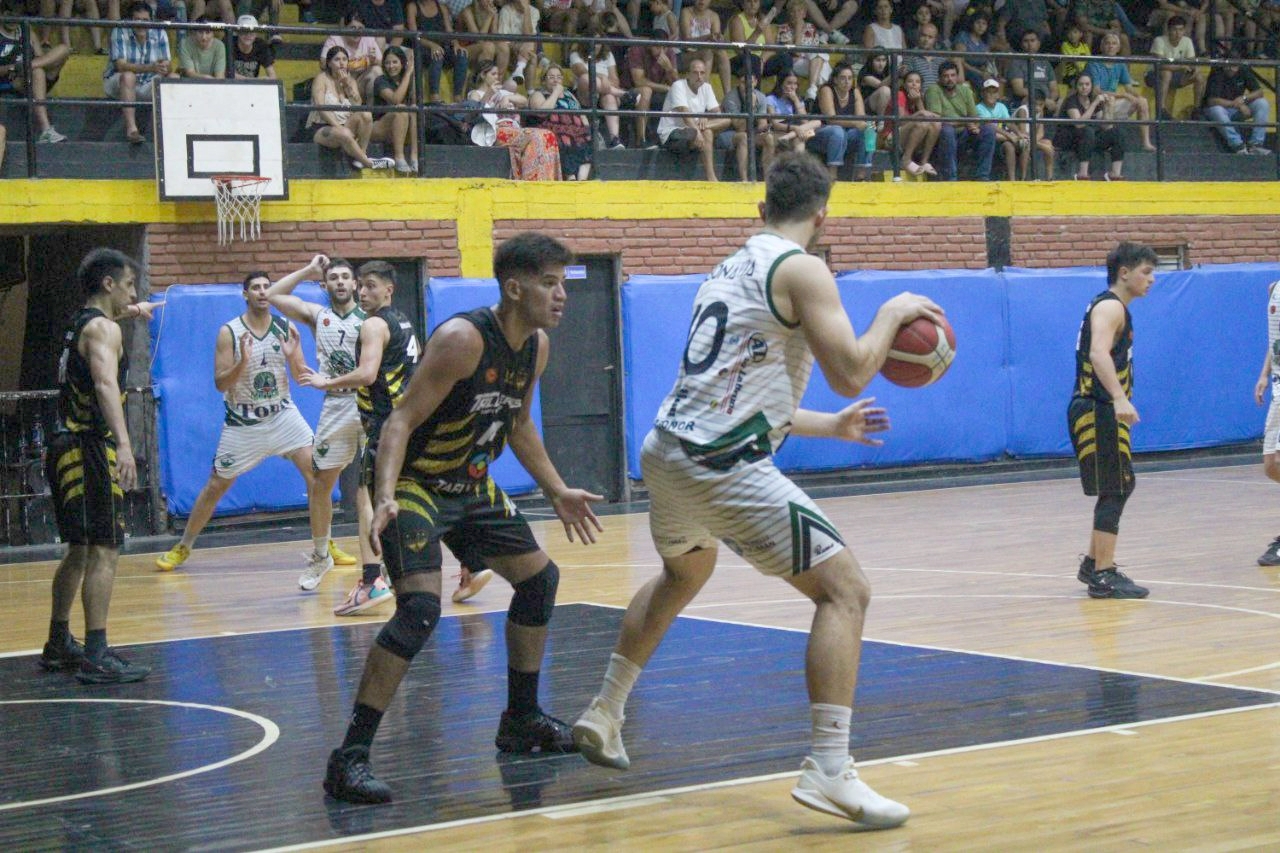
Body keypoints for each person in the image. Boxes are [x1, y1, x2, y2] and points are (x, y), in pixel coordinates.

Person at [571, 151, 940, 829]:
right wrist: (891, 314)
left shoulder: (727, 269)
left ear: (761, 208)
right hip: (721, 464)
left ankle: (605, 708)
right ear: (823, 216)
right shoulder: (803, 269)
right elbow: (853, 370)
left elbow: (739, 394)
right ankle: (829, 766)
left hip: (668, 451)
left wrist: (832, 425)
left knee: (685, 573)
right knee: (846, 590)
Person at [321, 234, 604, 804]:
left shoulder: (536, 346)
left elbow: (519, 424)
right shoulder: (462, 339)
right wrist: (384, 496)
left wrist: (556, 490)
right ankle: (349, 758)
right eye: (550, 283)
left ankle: (521, 720)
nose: (561, 295)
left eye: (563, 284)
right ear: (514, 288)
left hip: (470, 484)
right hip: (415, 484)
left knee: (540, 581)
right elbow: (399, 422)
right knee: (420, 610)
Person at [154, 271, 352, 588]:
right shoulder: (229, 332)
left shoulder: (285, 327)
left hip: (283, 416)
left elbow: (300, 375)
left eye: (266, 287)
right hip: (244, 423)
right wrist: (242, 362)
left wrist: (294, 358)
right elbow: (220, 384)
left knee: (318, 476)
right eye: (256, 288)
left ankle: (324, 544)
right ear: (245, 294)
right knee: (216, 486)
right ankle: (184, 546)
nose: (262, 292)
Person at [40, 248, 156, 684]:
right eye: (129, 285)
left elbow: (105, 332)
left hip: (62, 445)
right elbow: (106, 383)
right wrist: (124, 444)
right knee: (105, 548)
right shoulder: (105, 330)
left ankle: (58, 642)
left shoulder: (80, 324)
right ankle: (96, 653)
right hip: (89, 447)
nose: (133, 293)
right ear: (109, 284)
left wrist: (132, 312)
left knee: (79, 549)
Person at [264, 256, 389, 616]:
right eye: (333, 277)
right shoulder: (318, 315)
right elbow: (273, 295)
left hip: (369, 402)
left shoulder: (372, 319)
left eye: (346, 277)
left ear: (355, 284)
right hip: (336, 404)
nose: (340, 282)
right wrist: (307, 270)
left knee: (371, 489)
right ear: (325, 285)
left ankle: (380, 566)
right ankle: (322, 555)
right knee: (321, 483)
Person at [1068, 241, 1156, 600]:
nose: (1151, 279)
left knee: (1119, 485)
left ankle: (1094, 563)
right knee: (1116, 487)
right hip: (1098, 407)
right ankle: (1103, 574)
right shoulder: (1110, 307)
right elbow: (1097, 353)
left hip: (1100, 407)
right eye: (1146, 272)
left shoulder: (1112, 307)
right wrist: (1119, 397)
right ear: (1124, 273)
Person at [469, 59, 561, 180]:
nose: (497, 77)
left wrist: (508, 98)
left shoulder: (502, 92)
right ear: (482, 75)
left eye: (498, 74)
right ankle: (531, 179)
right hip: (495, 130)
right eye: (493, 74)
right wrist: (489, 94)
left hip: (513, 128)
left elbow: (524, 101)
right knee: (536, 136)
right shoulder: (475, 93)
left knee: (548, 135)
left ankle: (545, 179)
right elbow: (475, 113)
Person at [307, 45, 395, 171]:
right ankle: (369, 163)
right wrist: (338, 126)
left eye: (344, 59)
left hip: (345, 124)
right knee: (345, 133)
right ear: (329, 63)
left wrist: (347, 85)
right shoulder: (322, 79)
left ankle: (361, 155)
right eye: (337, 59)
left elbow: (357, 106)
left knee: (366, 115)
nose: (341, 63)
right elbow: (320, 107)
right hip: (321, 127)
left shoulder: (350, 81)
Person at [104, 1, 176, 144]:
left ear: (151, 20)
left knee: (174, 78)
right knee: (128, 76)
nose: (141, 24)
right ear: (130, 20)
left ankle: (168, 130)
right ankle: (132, 130)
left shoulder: (160, 32)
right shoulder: (120, 30)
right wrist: (151, 68)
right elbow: (121, 66)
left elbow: (168, 65)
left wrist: (165, 67)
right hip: (118, 83)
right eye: (137, 20)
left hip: (147, 84)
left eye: (145, 20)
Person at [0, 7, 71, 144]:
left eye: (17, 14)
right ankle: (46, 130)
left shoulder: (27, 30)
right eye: (9, 14)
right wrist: (14, 68)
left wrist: (26, 66)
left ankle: (28, 66)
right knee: (37, 72)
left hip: (31, 75)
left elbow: (40, 57)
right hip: (10, 81)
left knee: (63, 49)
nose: (13, 19)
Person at [656, 58, 730, 182]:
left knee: (726, 120)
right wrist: (697, 131)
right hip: (673, 132)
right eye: (695, 73)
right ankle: (711, 177)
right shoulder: (678, 85)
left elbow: (718, 113)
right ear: (688, 74)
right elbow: (684, 113)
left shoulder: (706, 87)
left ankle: (711, 178)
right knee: (705, 133)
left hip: (694, 130)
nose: (699, 76)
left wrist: (705, 117)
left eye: (702, 73)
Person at [1085, 31, 1155, 153]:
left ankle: (1146, 143)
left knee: (1142, 101)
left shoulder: (1120, 63)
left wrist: (1138, 97)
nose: (1110, 46)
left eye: (1114, 44)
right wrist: (1123, 95)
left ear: (1118, 48)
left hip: (1113, 105)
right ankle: (1109, 142)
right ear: (1101, 46)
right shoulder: (1094, 63)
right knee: (1110, 100)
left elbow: (1129, 87)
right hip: (1097, 108)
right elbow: (1096, 92)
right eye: (1107, 43)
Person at [925, 61, 995, 181]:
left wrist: (975, 126)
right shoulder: (933, 90)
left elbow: (974, 116)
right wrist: (966, 122)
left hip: (964, 133)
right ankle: (951, 178)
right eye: (946, 76)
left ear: (957, 76)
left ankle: (983, 176)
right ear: (940, 78)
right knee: (947, 130)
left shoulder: (965, 90)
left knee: (988, 130)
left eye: (953, 75)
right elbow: (937, 119)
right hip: (942, 136)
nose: (950, 79)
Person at [1055, 72, 1125, 180]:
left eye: (1087, 84)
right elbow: (1079, 124)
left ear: (1091, 86)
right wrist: (1095, 103)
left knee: (1117, 132)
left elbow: (1106, 126)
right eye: (1081, 84)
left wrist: (1108, 108)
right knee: (1087, 131)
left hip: (1088, 138)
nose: (1084, 87)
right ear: (1076, 86)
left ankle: (1115, 173)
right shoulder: (1071, 100)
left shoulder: (1093, 100)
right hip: (1069, 138)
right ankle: (1082, 173)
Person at [530, 64, 593, 180]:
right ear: (543, 81)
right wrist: (555, 93)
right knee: (565, 139)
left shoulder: (569, 95)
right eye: (551, 77)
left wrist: (587, 128)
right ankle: (570, 177)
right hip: (554, 127)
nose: (556, 80)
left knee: (589, 139)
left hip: (576, 129)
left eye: (559, 77)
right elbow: (542, 112)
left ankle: (582, 180)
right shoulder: (538, 94)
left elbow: (580, 113)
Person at [1255, 276, 1280, 566]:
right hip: (1277, 387)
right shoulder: (1274, 289)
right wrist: (1264, 374)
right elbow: (1275, 342)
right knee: (1271, 465)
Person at [1201, 56, 1271, 155]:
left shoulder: (1244, 70)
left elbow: (1259, 92)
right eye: (1228, 66)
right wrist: (1238, 105)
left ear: (1238, 65)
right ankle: (1238, 145)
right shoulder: (1216, 72)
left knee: (1262, 103)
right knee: (1216, 110)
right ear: (1223, 65)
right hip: (1221, 110)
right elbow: (1211, 101)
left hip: (1237, 109)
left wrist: (1244, 98)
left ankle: (1256, 145)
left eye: (1233, 66)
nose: (1230, 69)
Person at [407, 0, 469, 103]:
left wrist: (456, 44)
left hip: (443, 47)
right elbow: (413, 35)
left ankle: (458, 96)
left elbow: (449, 30)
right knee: (437, 54)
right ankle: (434, 97)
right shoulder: (413, 7)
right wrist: (432, 45)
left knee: (461, 55)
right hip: (424, 48)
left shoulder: (442, 7)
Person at [1145, 15, 1205, 120]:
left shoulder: (1187, 41)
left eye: (1181, 30)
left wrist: (1195, 68)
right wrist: (1181, 67)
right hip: (1153, 76)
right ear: (1168, 30)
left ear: (1184, 30)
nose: (1178, 33)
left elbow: (1191, 61)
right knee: (1166, 73)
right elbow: (1160, 64)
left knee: (1199, 77)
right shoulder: (1159, 40)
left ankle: (1197, 110)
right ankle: (1161, 110)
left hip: (1176, 76)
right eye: (1174, 30)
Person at [370, 45, 418, 173]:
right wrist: (407, 74)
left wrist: (413, 75)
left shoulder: (407, 79)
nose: (391, 66)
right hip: (379, 127)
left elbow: (415, 101)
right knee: (401, 109)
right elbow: (395, 100)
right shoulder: (380, 81)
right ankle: (399, 158)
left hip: (402, 127)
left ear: (402, 63)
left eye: (395, 62)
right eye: (387, 63)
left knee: (414, 110)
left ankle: (414, 157)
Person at [228, 15, 276, 79]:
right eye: (244, 30)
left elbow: (272, 76)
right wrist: (253, 80)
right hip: (231, 84)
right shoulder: (229, 43)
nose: (248, 34)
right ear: (237, 32)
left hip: (253, 84)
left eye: (252, 31)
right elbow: (226, 73)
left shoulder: (261, 45)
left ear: (256, 33)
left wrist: (265, 80)